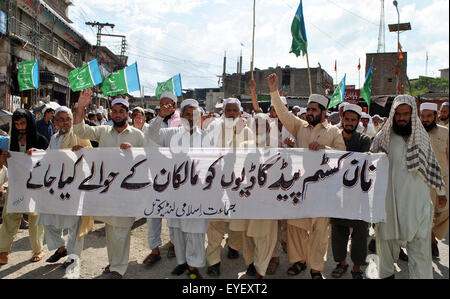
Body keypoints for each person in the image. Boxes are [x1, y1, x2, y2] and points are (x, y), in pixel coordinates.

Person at [268, 73, 346, 279]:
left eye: (313, 110)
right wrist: (274, 92)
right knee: (296, 228)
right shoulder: (299, 127)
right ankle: (299, 261)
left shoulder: (334, 132)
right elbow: (283, 114)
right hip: (299, 187)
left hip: (323, 189)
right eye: (308, 109)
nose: (309, 113)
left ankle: (316, 268)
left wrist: (324, 148)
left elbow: (342, 155)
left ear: (323, 112)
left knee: (319, 232)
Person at [370, 95, 446, 279]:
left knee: (420, 251)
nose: (402, 118)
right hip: (389, 202)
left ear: (412, 115)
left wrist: (441, 192)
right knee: (386, 246)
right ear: (393, 115)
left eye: (406, 114)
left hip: (417, 203)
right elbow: (370, 162)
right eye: (398, 114)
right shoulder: (383, 137)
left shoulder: (421, 138)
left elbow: (433, 166)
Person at [73, 90, 145, 279]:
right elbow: (79, 130)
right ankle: (114, 262)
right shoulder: (103, 130)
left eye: (122, 111)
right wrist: (81, 107)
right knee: (112, 230)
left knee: (121, 229)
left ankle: (118, 268)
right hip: (106, 190)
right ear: (111, 113)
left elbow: (149, 158)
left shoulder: (138, 135)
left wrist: (134, 151)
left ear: (127, 114)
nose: (118, 114)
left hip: (127, 191)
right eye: (115, 111)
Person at [148, 99, 210, 279]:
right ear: (181, 116)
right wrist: (160, 116)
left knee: (195, 231)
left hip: (197, 192)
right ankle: (182, 262)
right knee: (177, 229)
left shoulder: (206, 137)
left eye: (194, 114)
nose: (191, 118)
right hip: (175, 191)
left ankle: (194, 265)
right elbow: (152, 135)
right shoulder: (171, 133)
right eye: (187, 114)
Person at [36, 106, 93, 270]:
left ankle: (73, 258)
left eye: (68, 119)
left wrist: (81, 151)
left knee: (75, 224)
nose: (66, 122)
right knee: (47, 218)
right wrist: (35, 153)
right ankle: (61, 248)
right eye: (61, 119)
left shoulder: (79, 135)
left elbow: (91, 155)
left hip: (74, 187)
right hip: (56, 186)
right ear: (55, 122)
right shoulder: (54, 138)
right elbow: (47, 156)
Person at [204, 97, 254, 277]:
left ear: (240, 113)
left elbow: (253, 156)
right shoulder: (214, 129)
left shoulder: (247, 131)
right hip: (217, 182)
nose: (231, 113)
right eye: (228, 110)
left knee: (237, 218)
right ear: (223, 112)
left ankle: (234, 246)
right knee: (215, 221)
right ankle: (213, 261)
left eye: (234, 110)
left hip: (239, 183)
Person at [0, 109, 48, 264]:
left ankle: (38, 250)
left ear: (29, 122)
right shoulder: (11, 141)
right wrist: (5, 158)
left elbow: (49, 160)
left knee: (35, 218)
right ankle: (4, 251)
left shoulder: (40, 140)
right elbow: (8, 165)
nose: (20, 127)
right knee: (10, 216)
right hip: (16, 185)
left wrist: (38, 153)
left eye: (23, 123)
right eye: (17, 124)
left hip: (34, 186)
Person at [329, 104, 371, 279]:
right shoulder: (334, 137)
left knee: (360, 233)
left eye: (353, 120)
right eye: (347, 119)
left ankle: (356, 267)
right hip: (338, 194)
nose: (349, 123)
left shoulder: (364, 140)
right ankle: (342, 263)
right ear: (342, 119)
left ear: (358, 121)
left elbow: (359, 161)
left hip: (359, 194)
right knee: (338, 232)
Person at [143, 92, 181, 266]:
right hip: (155, 176)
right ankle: (154, 249)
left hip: (174, 176)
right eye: (162, 104)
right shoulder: (154, 122)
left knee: (174, 213)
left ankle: (173, 243)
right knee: (154, 215)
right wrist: (160, 117)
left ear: (174, 105)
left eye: (169, 104)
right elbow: (152, 135)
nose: (165, 106)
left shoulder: (181, 123)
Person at [240, 113, 279, 279]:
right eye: (256, 125)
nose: (259, 128)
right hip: (247, 196)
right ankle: (251, 262)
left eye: (263, 125)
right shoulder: (243, 145)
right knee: (247, 233)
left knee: (264, 235)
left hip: (268, 198)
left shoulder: (278, 146)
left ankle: (260, 270)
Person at [419, 102, 449, 258]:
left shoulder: (445, 133)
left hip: (444, 179)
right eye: (423, 116)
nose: (425, 119)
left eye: (429, 116)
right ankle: (431, 240)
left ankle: (434, 236)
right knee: (427, 212)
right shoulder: (415, 134)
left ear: (436, 115)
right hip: (424, 181)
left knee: (445, 211)